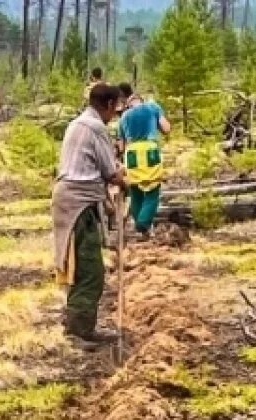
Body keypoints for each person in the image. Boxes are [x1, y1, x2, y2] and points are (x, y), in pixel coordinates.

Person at [52, 83, 128, 350]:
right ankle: (76, 331)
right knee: (89, 270)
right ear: (108, 105)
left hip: (73, 198)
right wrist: (130, 183)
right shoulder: (95, 127)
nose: (115, 114)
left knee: (84, 267)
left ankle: (83, 327)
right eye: (115, 108)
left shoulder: (78, 123)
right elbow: (111, 173)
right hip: (78, 201)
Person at [117, 89, 170, 241]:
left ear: (128, 104)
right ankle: (143, 223)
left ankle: (143, 229)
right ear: (142, 100)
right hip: (149, 149)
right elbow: (166, 128)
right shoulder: (152, 107)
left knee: (135, 191)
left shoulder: (124, 117)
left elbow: (121, 146)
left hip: (132, 152)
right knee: (152, 190)